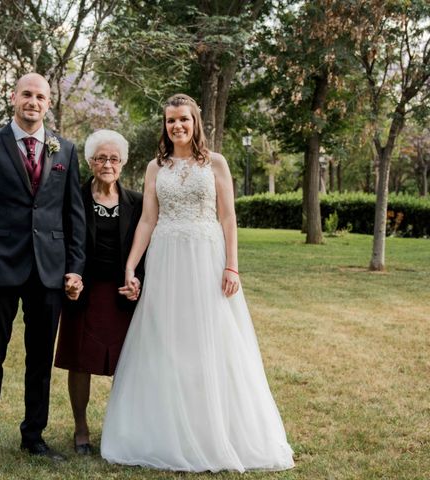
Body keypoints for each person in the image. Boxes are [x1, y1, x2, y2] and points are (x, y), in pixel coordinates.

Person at [100, 94, 294, 472]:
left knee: (212, 340)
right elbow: (147, 221)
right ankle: (169, 430)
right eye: (171, 120)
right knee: (168, 341)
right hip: (167, 258)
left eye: (184, 120)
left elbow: (228, 219)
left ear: (195, 122)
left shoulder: (216, 163)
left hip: (207, 258)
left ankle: (216, 429)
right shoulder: (156, 167)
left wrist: (232, 267)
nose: (177, 126)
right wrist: (131, 266)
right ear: (165, 124)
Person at [0, 73, 86, 463]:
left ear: (49, 103)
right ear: (13, 98)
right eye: (27, 94)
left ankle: (34, 435)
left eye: (40, 96)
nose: (33, 101)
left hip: (49, 271)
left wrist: (75, 267)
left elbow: (73, 215)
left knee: (40, 358)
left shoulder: (64, 149)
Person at [54, 129, 144, 455]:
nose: (108, 164)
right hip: (84, 292)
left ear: (122, 163)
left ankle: (125, 427)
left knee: (131, 362)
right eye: (101, 158)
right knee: (80, 361)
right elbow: (62, 240)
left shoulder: (138, 201)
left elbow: (145, 248)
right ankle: (81, 428)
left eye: (114, 158)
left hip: (124, 295)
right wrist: (69, 278)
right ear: (91, 162)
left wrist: (139, 282)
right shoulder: (74, 198)